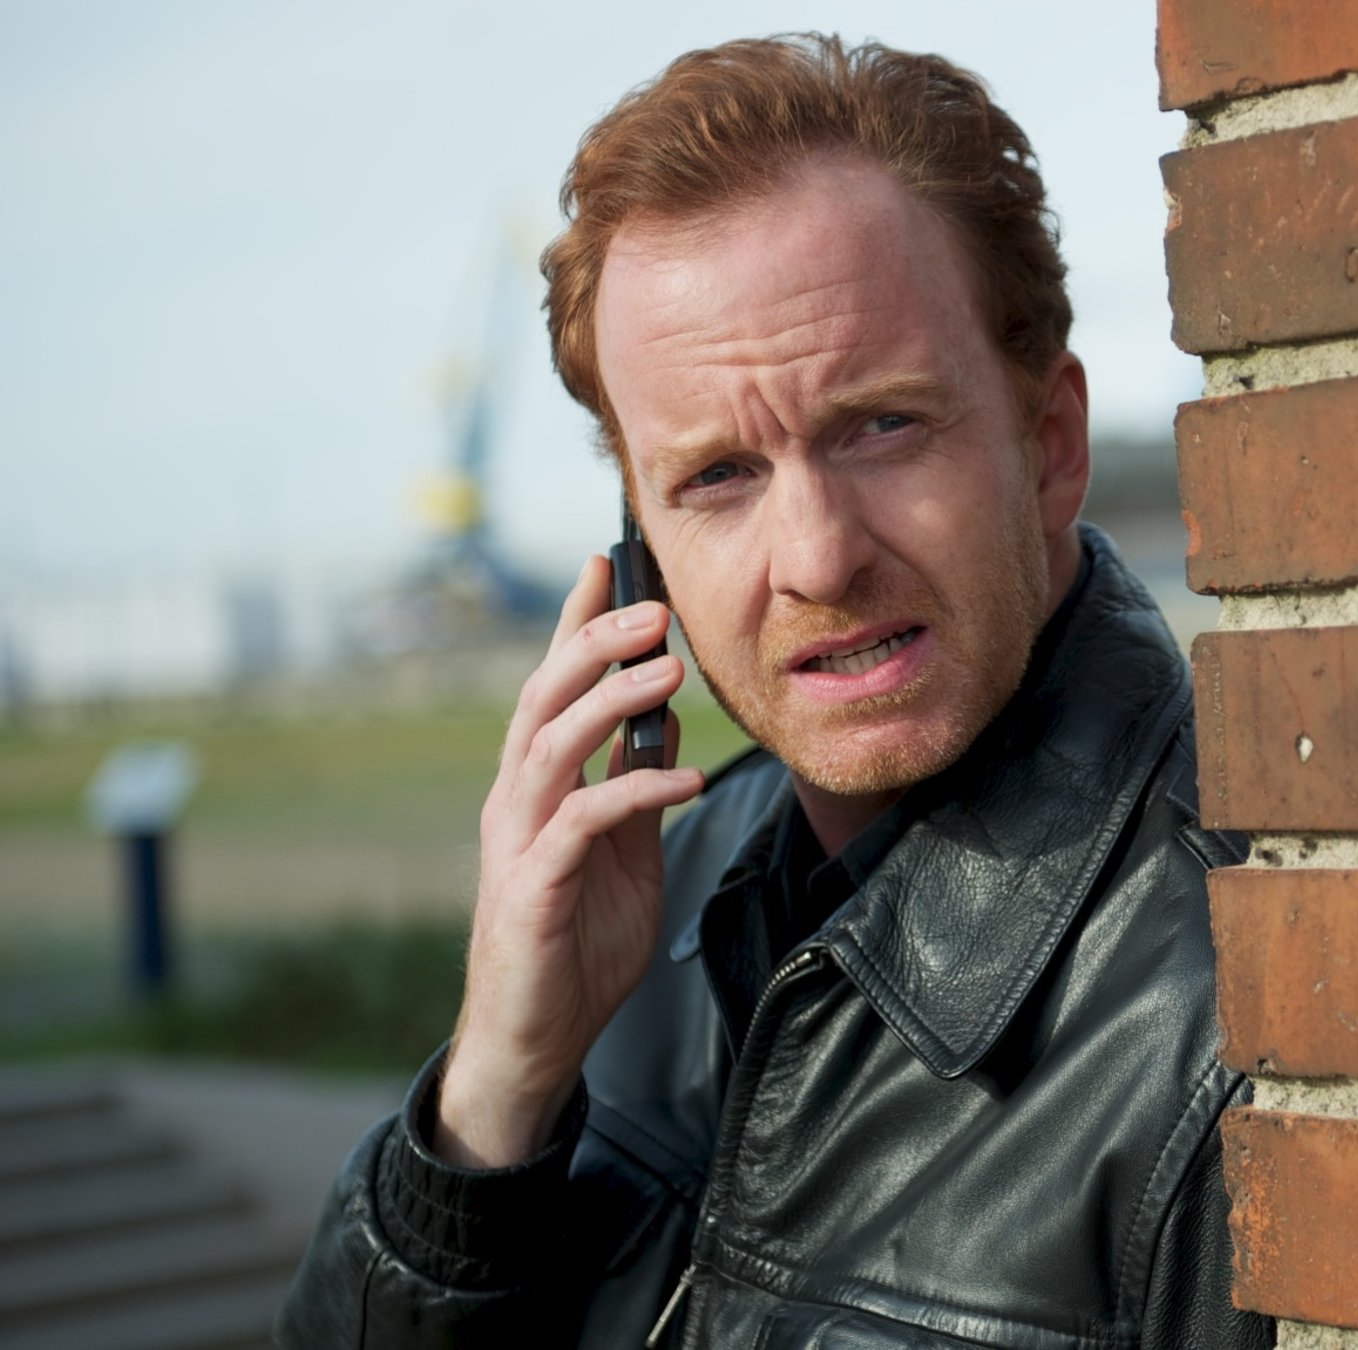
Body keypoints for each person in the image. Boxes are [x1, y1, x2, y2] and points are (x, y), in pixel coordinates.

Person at [277, 34, 1271, 1349]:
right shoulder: (639, 913)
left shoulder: (1244, 1003)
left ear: (1049, 447)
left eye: (882, 425)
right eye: (717, 478)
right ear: (641, 549)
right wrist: (492, 1101)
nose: (816, 559)